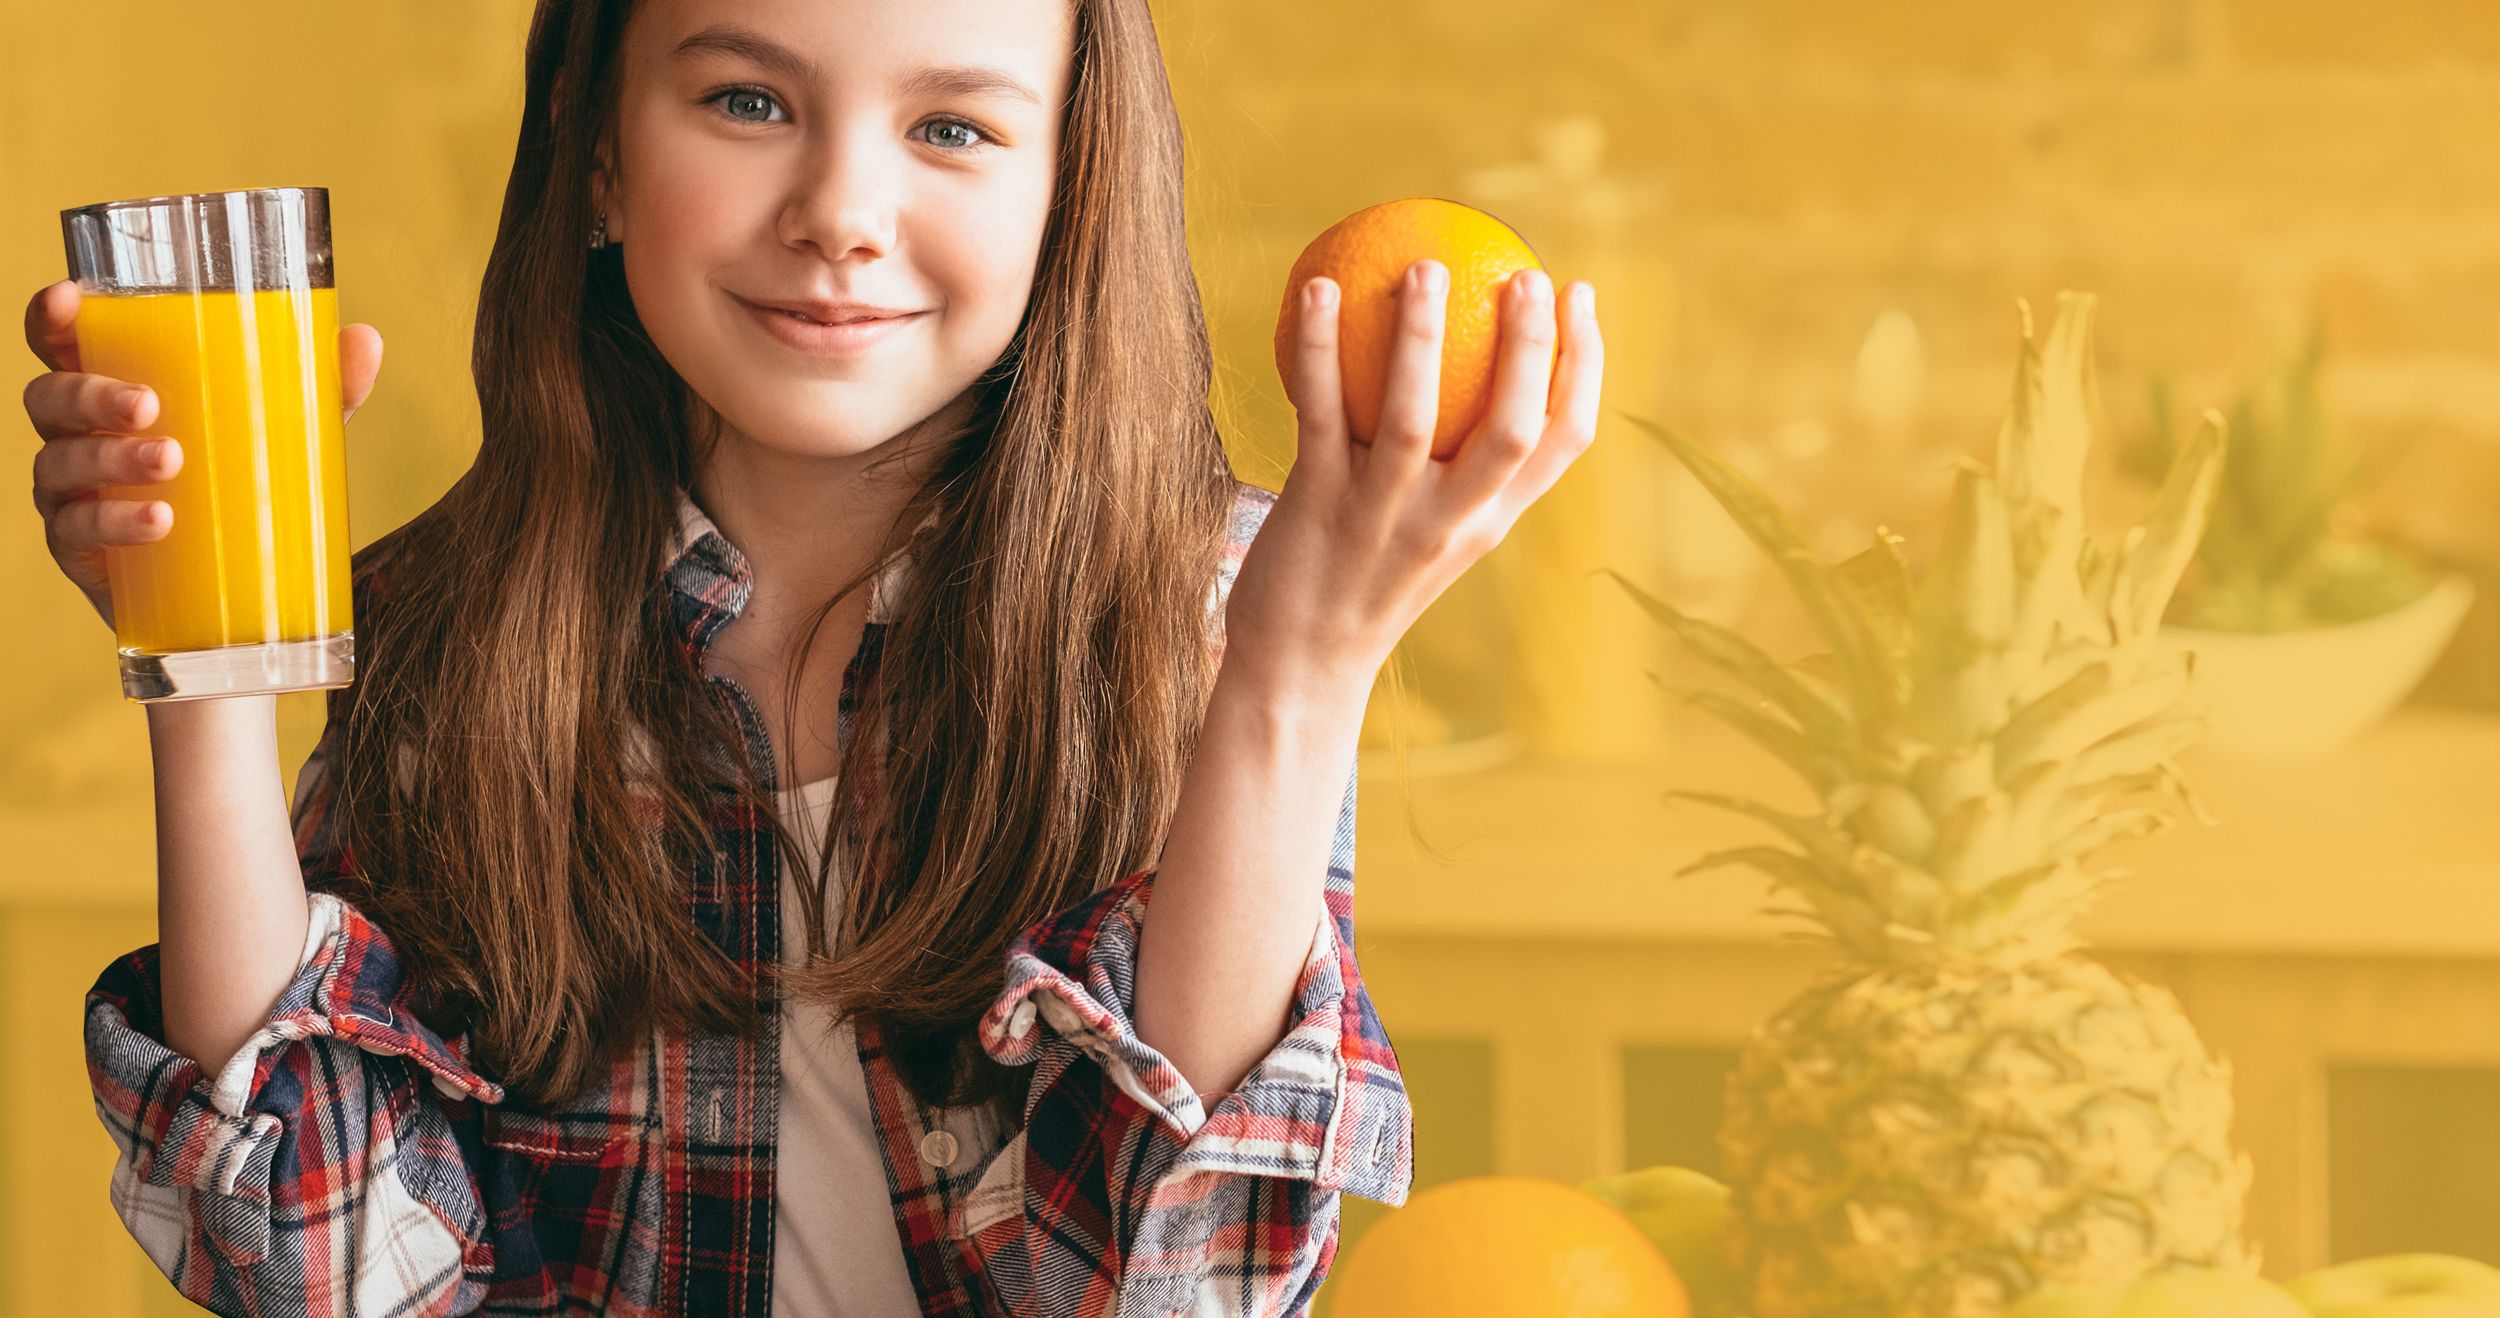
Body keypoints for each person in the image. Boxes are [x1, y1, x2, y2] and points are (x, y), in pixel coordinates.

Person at [19, 0, 1602, 1310]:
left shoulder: (1215, 615)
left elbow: (1171, 1288)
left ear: (1070, 190)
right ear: (597, 152)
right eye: (747, 101)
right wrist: (205, 664)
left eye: (952, 128)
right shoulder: (449, 632)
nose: (841, 213)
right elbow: (324, 1268)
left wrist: (1292, 682)